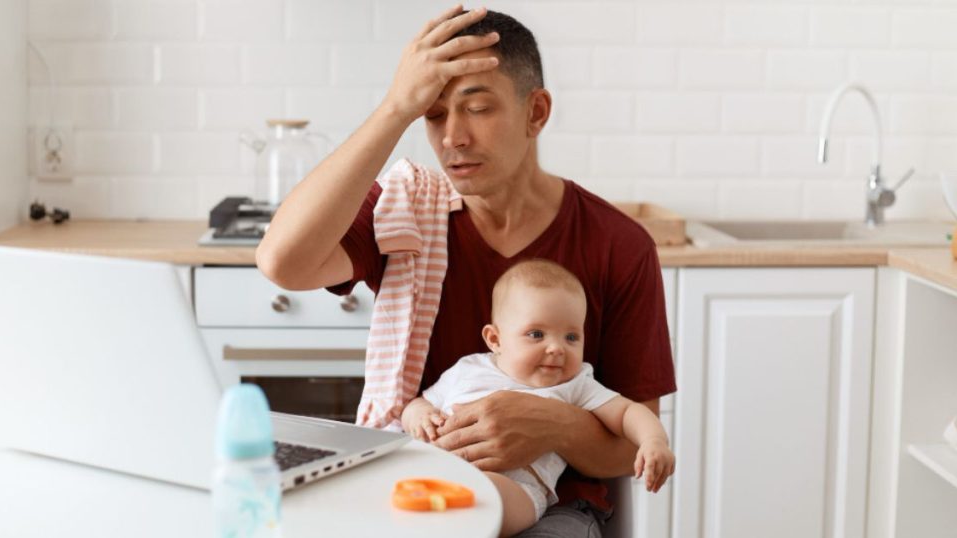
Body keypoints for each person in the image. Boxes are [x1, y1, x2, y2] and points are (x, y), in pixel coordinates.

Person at [256, 6, 676, 535]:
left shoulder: (618, 244)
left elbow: (629, 448)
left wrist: (557, 426)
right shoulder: (405, 213)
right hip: (425, 486)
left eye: (477, 108)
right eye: (432, 115)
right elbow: (282, 262)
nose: (452, 136)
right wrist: (394, 109)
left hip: (550, 508)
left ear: (536, 113)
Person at [401, 259, 675, 537]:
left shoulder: (575, 384)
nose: (556, 348)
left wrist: (653, 440)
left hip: (517, 491)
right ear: (495, 339)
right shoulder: (467, 369)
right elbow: (419, 403)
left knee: (483, 496)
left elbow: (628, 412)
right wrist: (420, 416)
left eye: (571, 337)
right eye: (536, 334)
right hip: (436, 479)